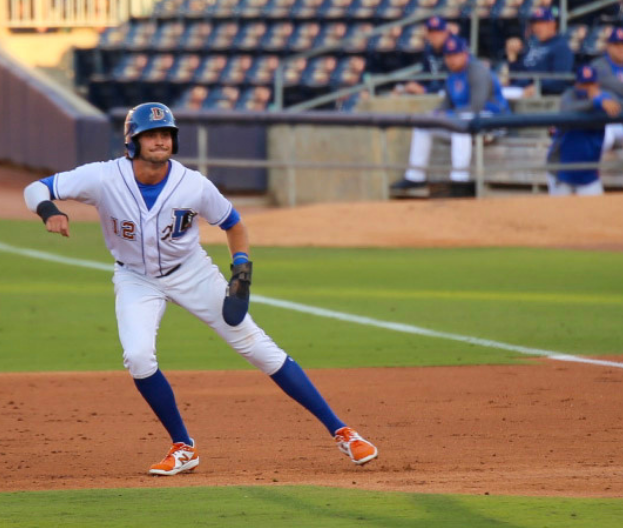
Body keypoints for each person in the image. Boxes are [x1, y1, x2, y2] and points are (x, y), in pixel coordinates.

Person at [22, 103, 378, 476]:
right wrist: (49, 210)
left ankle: (343, 432)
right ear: (132, 141)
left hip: (191, 271)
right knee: (139, 357)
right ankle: (183, 447)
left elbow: (233, 224)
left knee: (258, 348)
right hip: (135, 278)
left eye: (166, 134)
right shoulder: (103, 178)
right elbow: (36, 188)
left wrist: (241, 269)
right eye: (151, 135)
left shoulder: (193, 184)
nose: (160, 141)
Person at [390, 36, 510, 198]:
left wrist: (447, 115)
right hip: (467, 121)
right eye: (448, 56)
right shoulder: (452, 75)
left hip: (494, 120)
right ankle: (415, 176)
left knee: (458, 124)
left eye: (455, 55)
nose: (451, 59)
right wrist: (435, 114)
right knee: (423, 124)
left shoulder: (477, 71)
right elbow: (447, 104)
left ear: (465, 54)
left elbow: (476, 106)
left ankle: (459, 180)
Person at [547, 65, 623, 196]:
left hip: (588, 174)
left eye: (591, 83)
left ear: (597, 84)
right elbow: (567, 109)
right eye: (584, 84)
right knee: (560, 214)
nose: (588, 88)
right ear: (577, 84)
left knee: (595, 213)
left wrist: (604, 100)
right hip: (560, 170)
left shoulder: (605, 97)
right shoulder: (569, 96)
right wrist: (595, 102)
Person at [512, 7, 575, 97]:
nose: (537, 27)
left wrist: (538, 87)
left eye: (541, 23)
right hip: (520, 92)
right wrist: (512, 57)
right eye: (535, 24)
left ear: (552, 24)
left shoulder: (561, 47)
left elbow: (561, 79)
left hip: (544, 98)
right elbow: (519, 74)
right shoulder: (532, 44)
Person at [397, 16, 451, 96]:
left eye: (438, 32)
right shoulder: (428, 50)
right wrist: (408, 86)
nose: (434, 36)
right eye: (431, 32)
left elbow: (454, 82)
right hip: (433, 92)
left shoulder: (454, 50)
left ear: (445, 32)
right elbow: (425, 74)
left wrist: (425, 90)